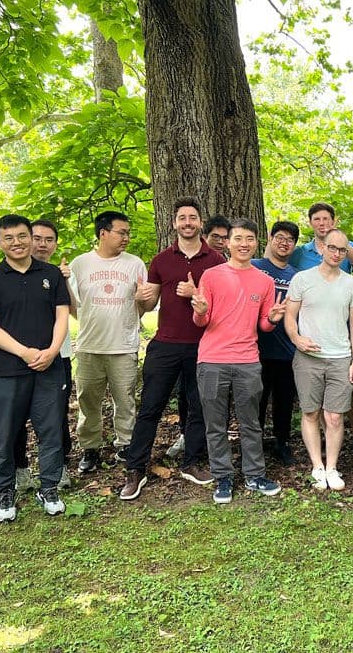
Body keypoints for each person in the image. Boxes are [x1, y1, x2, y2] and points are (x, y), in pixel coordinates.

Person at [120, 199, 226, 501]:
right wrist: (140, 298)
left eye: (193, 217)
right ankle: (136, 468)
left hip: (203, 345)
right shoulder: (161, 260)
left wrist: (196, 293)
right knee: (150, 407)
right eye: (182, 218)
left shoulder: (217, 261)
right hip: (165, 345)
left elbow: (223, 305)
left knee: (199, 407)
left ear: (200, 222)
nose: (187, 222)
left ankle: (191, 462)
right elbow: (149, 304)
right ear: (174, 223)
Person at [0, 214, 70, 522]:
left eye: (22, 236)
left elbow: (62, 316)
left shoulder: (51, 274)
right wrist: (24, 352)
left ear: (30, 237)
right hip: (6, 371)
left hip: (48, 367)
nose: (17, 243)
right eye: (9, 238)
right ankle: (4, 492)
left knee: (51, 431)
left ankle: (49, 488)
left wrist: (52, 351)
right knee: (4, 435)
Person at [191, 218, 285, 504]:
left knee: (251, 422)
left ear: (257, 242)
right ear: (228, 243)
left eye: (250, 239)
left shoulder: (264, 281)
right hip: (212, 360)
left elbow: (264, 325)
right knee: (215, 424)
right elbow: (201, 321)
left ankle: (254, 475)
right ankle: (222, 477)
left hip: (247, 361)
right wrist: (200, 310)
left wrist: (272, 319)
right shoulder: (211, 276)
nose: (244, 244)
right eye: (238, 239)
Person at [70, 211, 149, 475]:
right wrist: (87, 320)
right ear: (103, 233)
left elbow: (144, 305)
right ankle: (90, 448)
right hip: (89, 346)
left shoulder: (135, 264)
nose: (127, 237)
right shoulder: (80, 264)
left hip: (124, 346)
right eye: (121, 232)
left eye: (128, 233)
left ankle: (125, 444)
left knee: (125, 399)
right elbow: (71, 304)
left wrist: (142, 300)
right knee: (87, 401)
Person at [288, 203, 353, 457]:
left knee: (336, 413)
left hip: (341, 350)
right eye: (331, 248)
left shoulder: (351, 281)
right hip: (309, 351)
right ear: (321, 247)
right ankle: (318, 461)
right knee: (311, 411)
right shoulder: (302, 272)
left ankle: (338, 458)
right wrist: (296, 338)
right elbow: (290, 314)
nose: (336, 253)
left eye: (341, 249)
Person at [14, 219, 75, 492]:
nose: (42, 244)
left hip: (58, 356)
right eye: (37, 238)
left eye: (49, 240)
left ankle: (58, 467)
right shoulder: (8, 274)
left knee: (56, 415)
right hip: (17, 357)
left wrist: (66, 281)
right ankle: (20, 468)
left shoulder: (59, 274)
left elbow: (75, 312)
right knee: (15, 417)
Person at [252, 220, 300, 465]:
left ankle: (282, 443)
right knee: (256, 401)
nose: (284, 243)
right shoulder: (254, 267)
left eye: (290, 240)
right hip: (254, 349)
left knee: (284, 400)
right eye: (280, 237)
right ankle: (254, 445)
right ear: (270, 239)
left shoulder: (297, 276)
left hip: (286, 350)